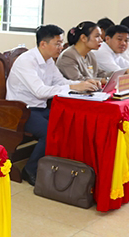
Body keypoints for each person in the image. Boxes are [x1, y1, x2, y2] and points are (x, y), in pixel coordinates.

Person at [6, 25, 100, 185]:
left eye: (61, 43)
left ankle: (58, 165)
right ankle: (30, 169)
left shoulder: (48, 60)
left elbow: (60, 82)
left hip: (40, 107)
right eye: (57, 44)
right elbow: (40, 91)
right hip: (21, 111)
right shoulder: (26, 61)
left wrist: (83, 83)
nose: (61, 47)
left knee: (69, 121)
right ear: (43, 44)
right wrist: (73, 87)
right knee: (50, 131)